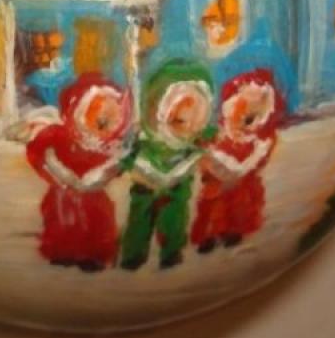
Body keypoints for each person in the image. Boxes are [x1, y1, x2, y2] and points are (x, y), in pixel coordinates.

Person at [25, 74, 132, 271]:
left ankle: (94, 255)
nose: (104, 124)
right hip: (63, 192)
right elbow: (40, 150)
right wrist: (57, 171)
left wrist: (103, 174)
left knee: (97, 220)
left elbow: (117, 165)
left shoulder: (107, 148)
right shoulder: (60, 135)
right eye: (99, 118)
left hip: (94, 196)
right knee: (62, 217)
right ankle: (62, 251)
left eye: (110, 120)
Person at [119, 59, 215, 270]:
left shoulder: (195, 140)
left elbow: (210, 141)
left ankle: (171, 253)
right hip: (145, 181)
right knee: (140, 219)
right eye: (179, 121)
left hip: (177, 184)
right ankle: (133, 255)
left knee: (174, 219)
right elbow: (128, 155)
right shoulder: (147, 136)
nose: (188, 128)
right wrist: (123, 165)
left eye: (195, 122)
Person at [191, 69, 283, 252]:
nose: (240, 123)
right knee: (212, 204)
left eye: (249, 118)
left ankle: (232, 230)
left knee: (238, 204)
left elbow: (256, 161)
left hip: (242, 181)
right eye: (236, 115)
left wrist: (247, 164)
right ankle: (208, 234)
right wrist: (206, 160)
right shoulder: (220, 133)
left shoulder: (258, 141)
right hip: (216, 179)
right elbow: (205, 150)